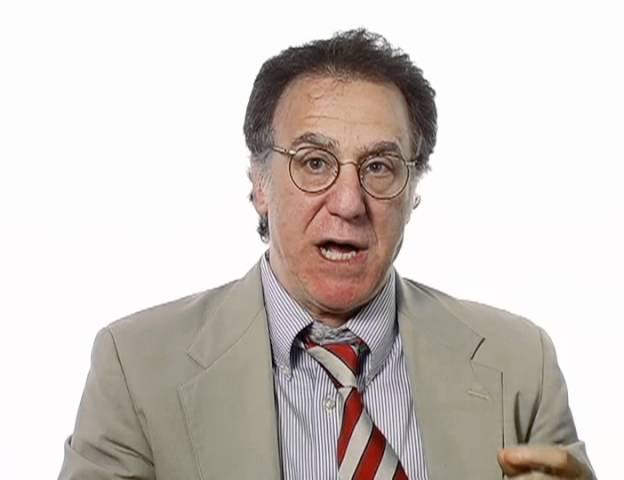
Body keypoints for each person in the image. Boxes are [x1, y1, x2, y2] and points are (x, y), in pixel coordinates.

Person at [58, 29, 595, 479]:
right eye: (314, 163)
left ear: (414, 191)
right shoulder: (135, 368)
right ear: (260, 183)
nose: (348, 203)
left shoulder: (520, 364)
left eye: (379, 167)